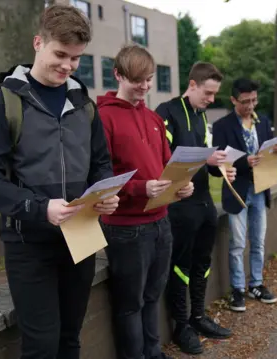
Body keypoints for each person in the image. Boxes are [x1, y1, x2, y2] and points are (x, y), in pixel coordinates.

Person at [0, 5, 119, 359]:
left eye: (76, 59)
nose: (67, 66)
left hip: (81, 236)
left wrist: (106, 191)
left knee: (70, 338)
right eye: (60, 54)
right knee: (42, 346)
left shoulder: (84, 103)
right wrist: (39, 208)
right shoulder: (4, 102)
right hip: (28, 243)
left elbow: (100, 163)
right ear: (39, 43)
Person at [97, 44, 193, 359]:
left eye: (149, 79)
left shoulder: (153, 118)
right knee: (130, 304)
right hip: (125, 228)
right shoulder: (103, 118)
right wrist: (140, 189)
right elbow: (100, 176)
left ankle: (154, 352)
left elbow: (167, 164)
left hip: (160, 221)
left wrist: (181, 186)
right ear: (118, 75)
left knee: (153, 296)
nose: (145, 87)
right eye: (138, 80)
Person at [155, 62, 235, 355]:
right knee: (181, 267)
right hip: (179, 208)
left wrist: (222, 170)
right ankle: (180, 325)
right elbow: (165, 162)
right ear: (192, 84)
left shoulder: (201, 117)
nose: (212, 100)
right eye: (208, 93)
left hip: (204, 205)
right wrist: (207, 160)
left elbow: (205, 161)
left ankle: (198, 316)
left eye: (215, 94)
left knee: (202, 263)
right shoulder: (166, 112)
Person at [212, 78, 277, 312]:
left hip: (260, 190)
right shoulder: (222, 126)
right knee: (237, 244)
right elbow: (217, 164)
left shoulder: (263, 120)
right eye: (245, 102)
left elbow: (270, 154)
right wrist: (245, 161)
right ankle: (237, 289)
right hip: (237, 192)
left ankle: (256, 284)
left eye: (254, 100)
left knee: (258, 242)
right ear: (234, 100)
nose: (251, 106)